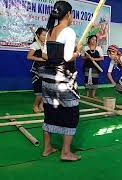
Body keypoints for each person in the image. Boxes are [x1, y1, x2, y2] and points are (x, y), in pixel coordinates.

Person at [39, 1, 82, 161]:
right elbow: (67, 57)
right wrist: (77, 52)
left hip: (48, 79)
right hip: (63, 79)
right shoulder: (69, 31)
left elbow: (45, 56)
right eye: (72, 15)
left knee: (49, 110)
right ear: (68, 14)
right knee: (71, 113)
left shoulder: (50, 31)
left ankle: (47, 148)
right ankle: (65, 152)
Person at [27, 27, 47, 113]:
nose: (45, 37)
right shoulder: (35, 45)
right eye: (43, 35)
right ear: (38, 35)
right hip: (37, 71)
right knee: (39, 91)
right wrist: (40, 59)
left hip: (47, 71)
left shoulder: (46, 45)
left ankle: (41, 105)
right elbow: (29, 57)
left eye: (46, 35)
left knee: (46, 90)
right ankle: (35, 106)